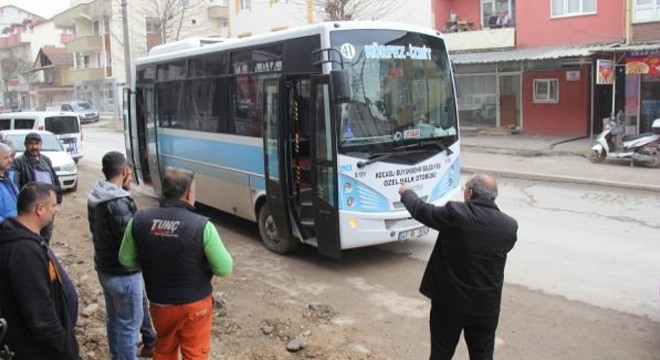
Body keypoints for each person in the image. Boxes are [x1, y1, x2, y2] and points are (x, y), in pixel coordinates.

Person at [398, 174, 518, 360]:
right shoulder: (509, 226)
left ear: (470, 194)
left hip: (449, 305)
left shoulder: (456, 214)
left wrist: (406, 192)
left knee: (441, 354)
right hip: (486, 308)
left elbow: (421, 210)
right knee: (483, 356)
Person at [119, 167, 233, 359]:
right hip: (195, 305)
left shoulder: (138, 220)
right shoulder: (202, 226)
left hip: (160, 303)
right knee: (195, 354)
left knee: (164, 349)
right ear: (189, 193)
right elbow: (224, 268)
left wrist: (151, 261)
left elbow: (125, 259)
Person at [87, 152, 156, 359]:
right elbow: (131, 240)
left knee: (115, 319)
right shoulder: (118, 202)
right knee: (129, 326)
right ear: (125, 170)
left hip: (105, 269)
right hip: (123, 273)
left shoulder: (97, 194)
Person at [0, 182, 79, 359]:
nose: (56, 210)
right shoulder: (23, 252)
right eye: (53, 205)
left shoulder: (26, 237)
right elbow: (39, 313)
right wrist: (64, 347)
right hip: (41, 351)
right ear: (40, 209)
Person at [11, 132, 62, 243]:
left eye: (37, 143)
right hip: (32, 207)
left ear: (41, 144)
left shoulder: (46, 160)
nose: (34, 147)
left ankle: (44, 255)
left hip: (47, 204)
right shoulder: (19, 162)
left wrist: (58, 197)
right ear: (25, 145)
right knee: (32, 236)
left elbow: (54, 179)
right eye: (31, 144)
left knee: (46, 235)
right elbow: (15, 186)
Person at [0, 142, 19, 223]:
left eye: (10, 156)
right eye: (6, 158)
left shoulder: (9, 177)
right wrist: (7, 227)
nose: (10, 160)